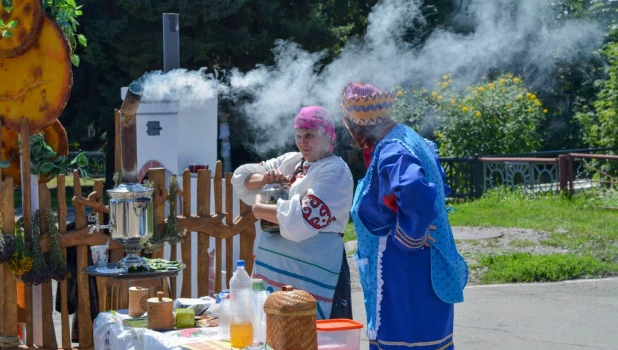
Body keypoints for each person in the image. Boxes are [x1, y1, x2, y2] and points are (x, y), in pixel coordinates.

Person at [340, 82, 468, 349]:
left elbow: (415, 191)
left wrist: (410, 235)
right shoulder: (406, 135)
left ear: (357, 125)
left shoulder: (392, 149)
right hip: (416, 270)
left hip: (405, 273)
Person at [231, 106, 354, 320]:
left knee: (306, 329)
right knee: (269, 327)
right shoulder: (292, 161)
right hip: (273, 269)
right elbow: (243, 179)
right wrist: (266, 179)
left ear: (327, 136)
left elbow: (304, 217)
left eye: (309, 136)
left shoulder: (336, 171)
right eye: (298, 136)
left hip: (311, 269)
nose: (303, 142)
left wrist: (259, 209)